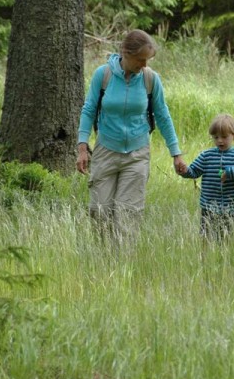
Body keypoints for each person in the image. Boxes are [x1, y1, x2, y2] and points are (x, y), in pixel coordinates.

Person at [76, 29, 185, 240]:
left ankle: (123, 267)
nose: (144, 65)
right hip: (105, 151)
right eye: (140, 60)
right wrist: (82, 147)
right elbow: (89, 109)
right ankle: (103, 264)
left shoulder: (150, 79)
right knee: (99, 212)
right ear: (125, 52)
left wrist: (176, 153)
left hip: (137, 154)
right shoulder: (103, 75)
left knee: (127, 216)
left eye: (148, 60)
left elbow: (163, 115)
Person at [178, 113, 234, 241]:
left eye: (224, 137)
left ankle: (223, 259)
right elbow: (194, 172)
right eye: (216, 137)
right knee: (205, 237)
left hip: (230, 207)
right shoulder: (206, 156)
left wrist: (230, 172)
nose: (220, 140)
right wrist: (184, 170)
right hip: (208, 206)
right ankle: (204, 258)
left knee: (225, 239)